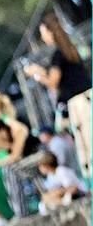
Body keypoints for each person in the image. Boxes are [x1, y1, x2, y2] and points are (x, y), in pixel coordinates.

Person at [24, 13, 91, 178]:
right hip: (85, 100)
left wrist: (36, 74)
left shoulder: (58, 54)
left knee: (88, 146)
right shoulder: (69, 49)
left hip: (79, 104)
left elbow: (53, 82)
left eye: (43, 32)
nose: (42, 37)